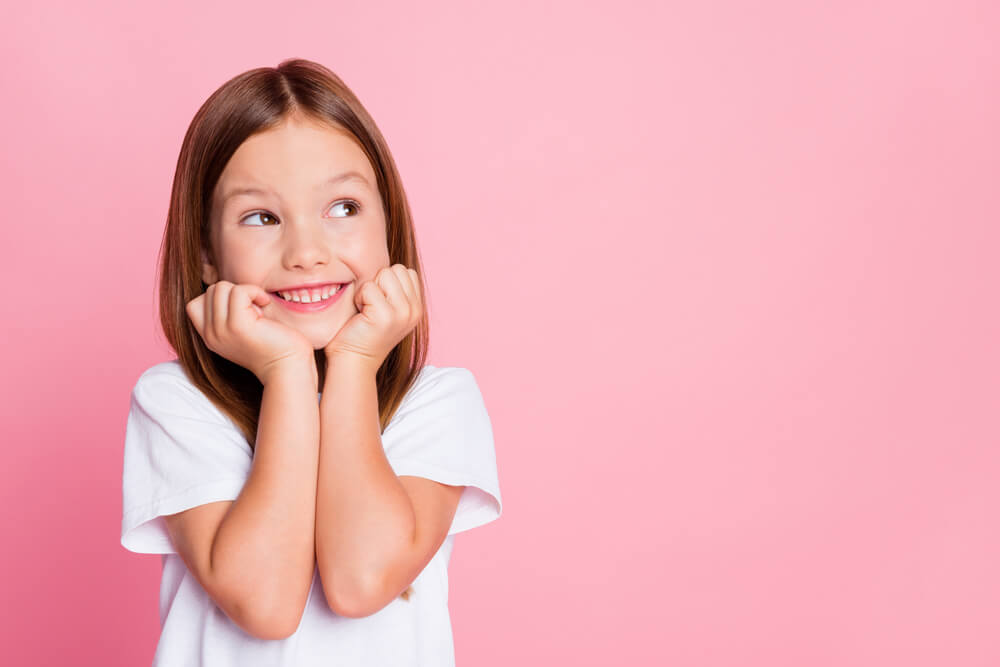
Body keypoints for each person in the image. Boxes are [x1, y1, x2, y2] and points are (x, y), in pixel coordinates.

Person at [119, 58, 502, 666]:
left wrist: (351, 361)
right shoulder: (178, 401)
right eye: (261, 217)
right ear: (208, 258)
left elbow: (360, 581)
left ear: (389, 228)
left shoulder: (437, 402)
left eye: (343, 208)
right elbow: (265, 604)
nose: (306, 252)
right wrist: (287, 374)